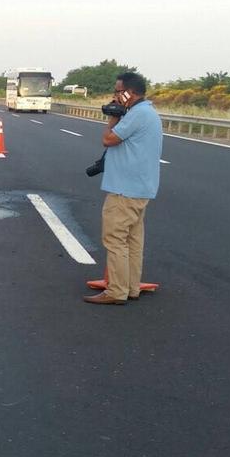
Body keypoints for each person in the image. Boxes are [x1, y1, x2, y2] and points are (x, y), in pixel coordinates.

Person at [84, 72, 162, 305]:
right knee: (132, 241)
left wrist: (113, 116)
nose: (115, 96)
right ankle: (130, 288)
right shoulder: (148, 112)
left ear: (130, 92)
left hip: (125, 190)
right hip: (140, 188)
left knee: (115, 239)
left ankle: (116, 291)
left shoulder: (137, 114)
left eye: (119, 91)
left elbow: (108, 139)